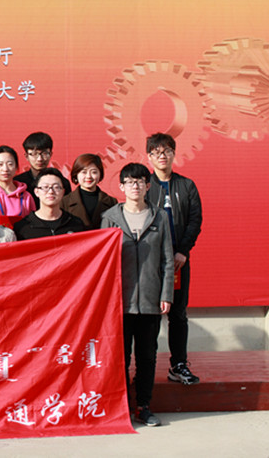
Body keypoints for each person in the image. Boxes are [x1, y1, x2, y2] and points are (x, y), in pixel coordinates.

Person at [101, 162, 174, 428]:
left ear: (147, 186)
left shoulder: (159, 217)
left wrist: (166, 294)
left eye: (140, 181)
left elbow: (167, 260)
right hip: (120, 300)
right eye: (130, 182)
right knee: (119, 357)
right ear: (121, 187)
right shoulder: (110, 217)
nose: (135, 186)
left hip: (150, 300)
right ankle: (121, 407)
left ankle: (144, 406)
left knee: (147, 357)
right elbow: (103, 261)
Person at [146, 132, 203, 386]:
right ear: (149, 156)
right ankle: (146, 367)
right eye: (157, 152)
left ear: (173, 154)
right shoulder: (144, 185)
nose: (162, 156)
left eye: (167, 151)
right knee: (149, 315)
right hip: (150, 263)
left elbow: (194, 221)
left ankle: (178, 364)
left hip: (178, 261)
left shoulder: (187, 185)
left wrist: (183, 251)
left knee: (178, 313)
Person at [14, 168, 87, 240]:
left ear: (63, 192)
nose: (51, 191)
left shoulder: (75, 224)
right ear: (36, 192)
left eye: (56, 187)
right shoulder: (23, 228)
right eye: (45, 187)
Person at [14, 131, 71, 207]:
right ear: (26, 156)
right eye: (34, 154)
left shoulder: (62, 183)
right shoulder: (18, 183)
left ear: (50, 154)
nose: (39, 159)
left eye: (44, 153)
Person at [61, 153, 118, 229]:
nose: (88, 176)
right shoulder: (64, 202)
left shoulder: (111, 202)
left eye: (94, 172)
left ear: (100, 174)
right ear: (76, 174)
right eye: (84, 172)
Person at [0, 145, 35, 226]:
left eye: (10, 164)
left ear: (16, 167)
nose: (5, 169)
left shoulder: (26, 197)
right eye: (0, 164)